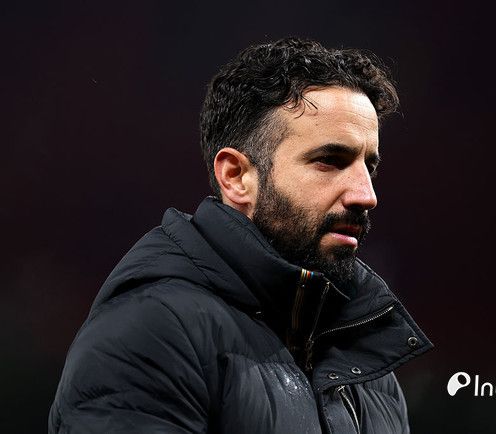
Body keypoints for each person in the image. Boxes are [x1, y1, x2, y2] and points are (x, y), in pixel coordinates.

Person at [48, 37, 432, 434]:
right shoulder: (151, 333)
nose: (366, 195)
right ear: (235, 177)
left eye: (369, 166)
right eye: (330, 161)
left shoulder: (368, 371)